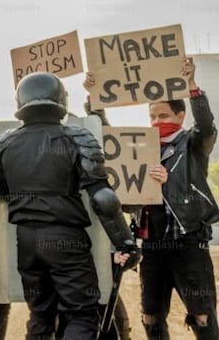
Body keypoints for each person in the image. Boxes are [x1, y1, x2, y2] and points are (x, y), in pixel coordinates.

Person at [0, 72, 140, 340]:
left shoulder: (3, 144)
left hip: (25, 241)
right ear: (60, 100)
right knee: (82, 315)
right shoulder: (77, 138)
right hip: (65, 240)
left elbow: (4, 191)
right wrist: (126, 243)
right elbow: (104, 198)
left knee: (40, 315)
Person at [85, 57, 217, 340]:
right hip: (153, 245)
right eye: (152, 117)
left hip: (189, 243)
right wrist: (94, 100)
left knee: (202, 317)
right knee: (150, 316)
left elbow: (206, 126)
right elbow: (110, 136)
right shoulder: (141, 146)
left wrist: (192, 86)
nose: (157, 122)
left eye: (164, 116)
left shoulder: (193, 144)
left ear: (180, 117)